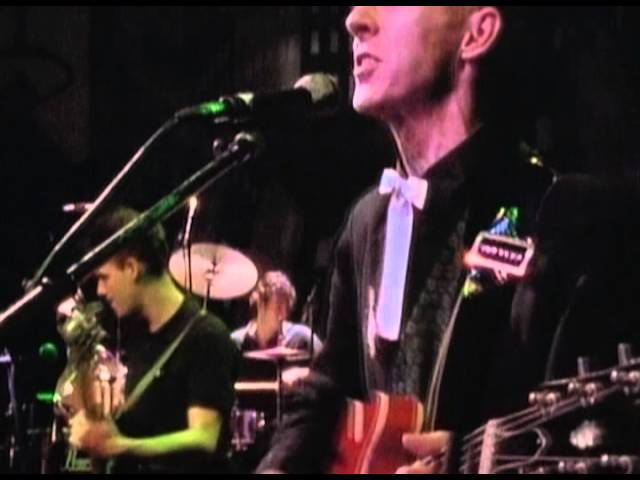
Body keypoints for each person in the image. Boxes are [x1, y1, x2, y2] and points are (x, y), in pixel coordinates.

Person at [258, 6, 560, 473]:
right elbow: (328, 386)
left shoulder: (550, 214)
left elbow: (586, 428)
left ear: (476, 34)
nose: (354, 20)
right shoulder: (366, 220)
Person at [67, 207, 239, 473]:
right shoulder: (138, 333)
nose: (100, 290)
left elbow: (204, 438)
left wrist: (118, 445)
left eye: (104, 277)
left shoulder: (207, 336)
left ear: (131, 268)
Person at [231, 270, 323, 357]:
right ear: (260, 304)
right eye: (278, 308)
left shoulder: (302, 338)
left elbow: (324, 364)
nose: (282, 315)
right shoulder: (236, 342)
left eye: (286, 309)